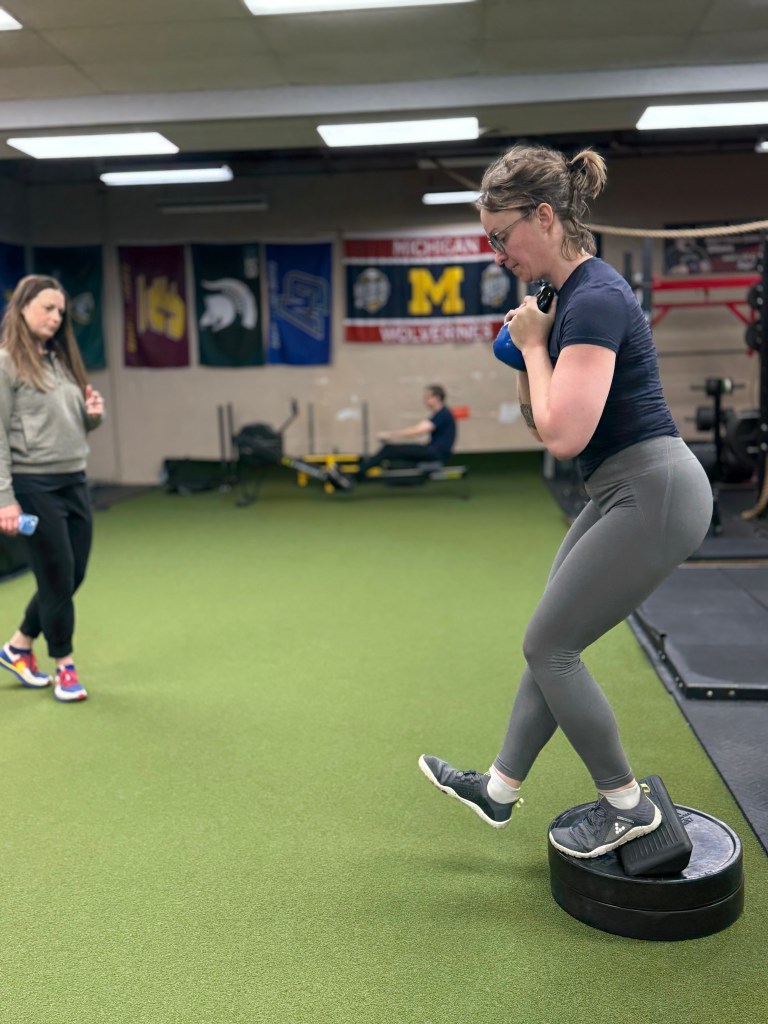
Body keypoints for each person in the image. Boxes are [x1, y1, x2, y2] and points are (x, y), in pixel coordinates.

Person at [418, 144, 713, 859]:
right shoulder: (563, 300)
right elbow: (537, 417)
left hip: (654, 489)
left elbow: (562, 433)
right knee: (550, 636)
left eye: (500, 236)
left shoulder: (597, 296)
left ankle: (627, 804)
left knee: (550, 644)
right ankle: (499, 788)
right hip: (618, 487)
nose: (496, 254)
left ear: (544, 216)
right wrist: (529, 355)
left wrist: (536, 345)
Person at [0, 275, 105, 703]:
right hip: (32, 485)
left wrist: (92, 417)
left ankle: (17, 647)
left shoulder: (60, 360)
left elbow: (68, 424)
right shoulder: (6, 363)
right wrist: (4, 498)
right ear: (23, 306)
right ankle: (64, 665)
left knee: (71, 573)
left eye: (60, 311)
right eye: (47, 307)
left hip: (74, 479)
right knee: (57, 573)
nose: (56, 317)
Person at [355, 384, 456, 479]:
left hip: (435, 453)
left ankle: (356, 475)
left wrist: (390, 435)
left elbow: (417, 431)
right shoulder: (441, 414)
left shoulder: (442, 414)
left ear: (437, 398)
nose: (424, 400)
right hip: (433, 451)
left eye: (427, 397)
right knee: (391, 451)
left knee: (388, 449)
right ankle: (359, 473)